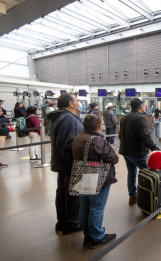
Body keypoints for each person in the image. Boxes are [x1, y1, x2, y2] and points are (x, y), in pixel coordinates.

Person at [72, 114, 118, 249]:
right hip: (98, 177)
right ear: (99, 125)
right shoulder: (96, 140)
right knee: (96, 207)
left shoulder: (78, 137)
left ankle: (88, 236)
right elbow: (113, 158)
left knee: (85, 206)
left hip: (82, 176)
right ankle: (97, 237)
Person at [47, 93, 83, 234]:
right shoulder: (68, 119)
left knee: (63, 192)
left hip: (61, 162)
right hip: (70, 164)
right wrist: (77, 162)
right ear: (71, 104)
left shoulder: (59, 117)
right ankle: (72, 224)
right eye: (77, 100)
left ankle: (62, 222)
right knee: (73, 194)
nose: (78, 102)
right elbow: (67, 144)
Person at [119, 99, 160, 205]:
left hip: (126, 152)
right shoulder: (140, 118)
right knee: (150, 173)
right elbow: (145, 136)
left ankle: (132, 196)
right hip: (138, 152)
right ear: (140, 107)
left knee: (131, 173)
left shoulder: (124, 118)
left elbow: (120, 135)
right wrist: (155, 148)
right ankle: (150, 198)